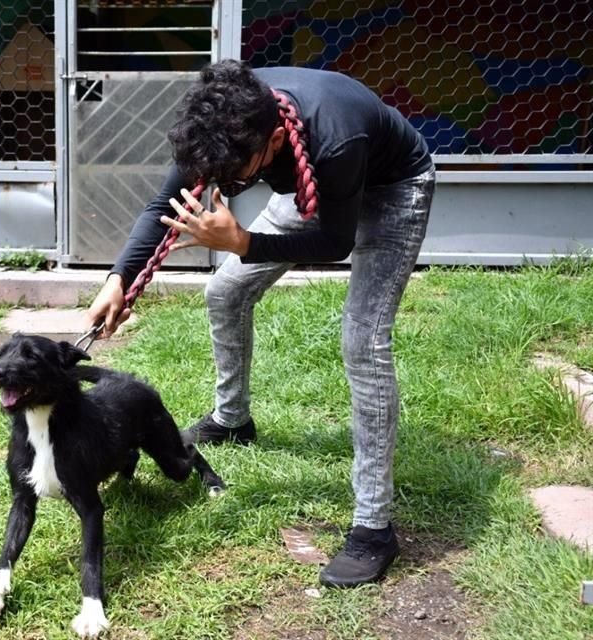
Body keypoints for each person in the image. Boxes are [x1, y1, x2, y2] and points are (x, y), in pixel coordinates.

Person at [85, 59, 435, 588]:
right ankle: (233, 419)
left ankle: (374, 527)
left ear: (273, 141)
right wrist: (118, 278)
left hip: (393, 188)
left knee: (363, 343)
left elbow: (333, 241)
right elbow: (164, 204)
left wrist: (243, 242)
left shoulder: (334, 136)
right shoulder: (223, 119)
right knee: (225, 291)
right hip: (310, 182)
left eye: (235, 177)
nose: (226, 185)